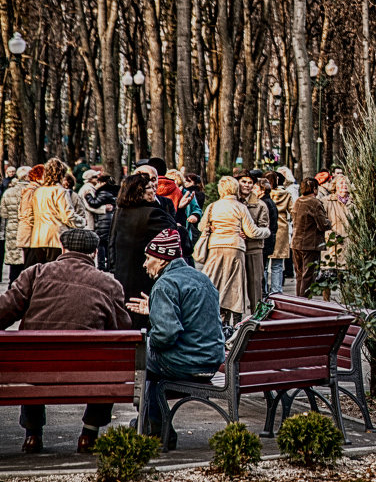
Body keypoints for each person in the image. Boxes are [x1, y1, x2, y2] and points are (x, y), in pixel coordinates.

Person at [0, 229, 132, 454]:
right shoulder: (109, 284)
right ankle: (89, 435)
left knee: (33, 360)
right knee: (107, 366)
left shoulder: (35, 273)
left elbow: (5, 312)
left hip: (35, 370)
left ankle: (33, 435)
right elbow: (123, 329)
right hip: (89, 373)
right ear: (94, 254)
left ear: (62, 249)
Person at [125, 229, 224, 448]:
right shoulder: (201, 278)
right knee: (153, 375)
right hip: (211, 361)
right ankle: (154, 425)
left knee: (142, 355)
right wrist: (156, 311)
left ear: (161, 260)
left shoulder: (165, 284)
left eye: (148, 258)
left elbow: (166, 336)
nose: (144, 264)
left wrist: (151, 341)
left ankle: (154, 428)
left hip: (186, 363)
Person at [196, 176, 270, 324]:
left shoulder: (212, 206)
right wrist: (266, 232)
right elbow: (252, 232)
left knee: (215, 283)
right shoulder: (240, 207)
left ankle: (217, 318)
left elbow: (201, 226)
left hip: (215, 247)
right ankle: (235, 320)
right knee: (235, 286)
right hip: (235, 248)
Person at [108, 174, 178, 329]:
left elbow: (111, 244)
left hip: (123, 280)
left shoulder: (120, 213)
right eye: (149, 188)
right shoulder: (152, 214)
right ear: (139, 192)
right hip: (146, 280)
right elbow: (179, 240)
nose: (154, 190)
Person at [23, 158, 84, 268]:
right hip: (56, 237)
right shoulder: (60, 191)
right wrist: (82, 222)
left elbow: (30, 215)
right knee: (55, 273)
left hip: (38, 238)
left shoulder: (38, 191)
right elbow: (67, 216)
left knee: (40, 272)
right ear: (61, 174)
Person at [232, 171, 272, 311]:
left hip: (254, 248)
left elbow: (264, 226)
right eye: (244, 182)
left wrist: (249, 234)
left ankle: (256, 314)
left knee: (255, 284)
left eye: (250, 182)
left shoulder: (260, 205)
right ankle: (234, 317)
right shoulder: (232, 202)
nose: (247, 185)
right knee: (235, 285)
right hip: (234, 247)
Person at [291, 178, 331, 298]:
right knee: (308, 276)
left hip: (296, 243)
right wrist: (329, 222)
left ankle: (298, 300)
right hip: (310, 244)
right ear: (315, 189)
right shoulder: (315, 203)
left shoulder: (298, 201)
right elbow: (323, 224)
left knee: (299, 275)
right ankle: (305, 302)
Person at [1, 166, 30, 284]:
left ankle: (12, 289)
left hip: (12, 229)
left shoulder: (8, 192)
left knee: (14, 268)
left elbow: (3, 213)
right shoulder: (32, 191)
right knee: (27, 265)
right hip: (27, 230)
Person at [265, 172, 292, 296]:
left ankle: (264, 291)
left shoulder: (263, 195)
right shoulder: (286, 195)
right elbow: (292, 211)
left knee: (264, 265)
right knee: (277, 265)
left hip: (267, 229)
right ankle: (277, 291)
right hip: (281, 229)